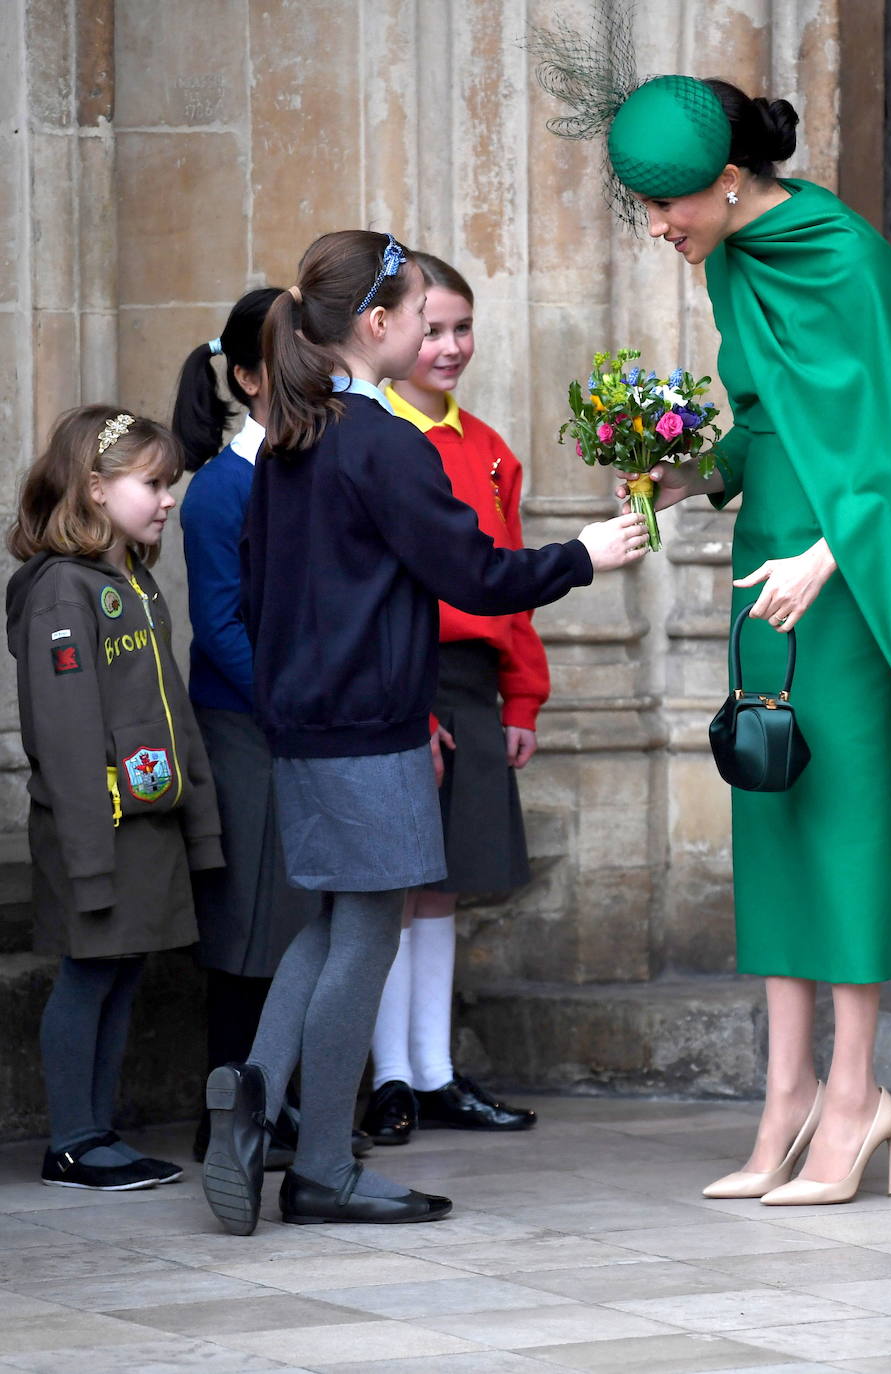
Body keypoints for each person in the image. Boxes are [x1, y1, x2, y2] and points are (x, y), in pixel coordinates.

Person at [537, 68, 891, 1205]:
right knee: (772, 817)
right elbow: (774, 426)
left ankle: (856, 1099)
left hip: (846, 583)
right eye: (644, 208)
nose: (655, 228)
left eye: (667, 206)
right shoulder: (734, 257)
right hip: (765, 576)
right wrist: (679, 477)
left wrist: (831, 555)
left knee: (849, 831)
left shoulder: (849, 258)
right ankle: (783, 1096)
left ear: (731, 181)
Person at [201, 229, 648, 1234]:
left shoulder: (290, 438)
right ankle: (320, 1163)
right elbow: (474, 575)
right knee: (367, 932)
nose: (427, 331)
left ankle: (256, 1091)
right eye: (416, 314)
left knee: (330, 924)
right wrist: (583, 554)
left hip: (307, 722)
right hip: (370, 726)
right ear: (378, 325)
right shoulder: (380, 441)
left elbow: (264, 598)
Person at [172, 292, 369, 1170]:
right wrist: (294, 708)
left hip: (302, 721)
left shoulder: (311, 465)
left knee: (298, 920)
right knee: (250, 931)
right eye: (293, 354)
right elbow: (221, 627)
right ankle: (229, 1116)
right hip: (250, 728)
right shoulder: (221, 490)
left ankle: (284, 1104)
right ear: (250, 376)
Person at [5, 405, 224, 1191]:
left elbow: (172, 706)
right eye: (153, 483)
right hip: (96, 832)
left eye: (170, 483)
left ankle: (98, 1133)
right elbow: (64, 739)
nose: (167, 498)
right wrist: (90, 858)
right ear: (96, 489)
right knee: (90, 974)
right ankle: (72, 1139)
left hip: (147, 826)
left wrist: (200, 826)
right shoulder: (65, 592)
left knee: (123, 972)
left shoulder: (134, 579)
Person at [361, 253, 542, 1145]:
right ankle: (386, 1076)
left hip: (471, 684)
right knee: (392, 885)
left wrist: (522, 698)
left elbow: (509, 581)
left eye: (462, 327)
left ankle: (432, 1071)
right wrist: (405, 703)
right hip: (403, 677)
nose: (449, 345)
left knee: (444, 887)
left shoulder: (491, 449)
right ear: (386, 329)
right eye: (431, 328)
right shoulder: (379, 440)